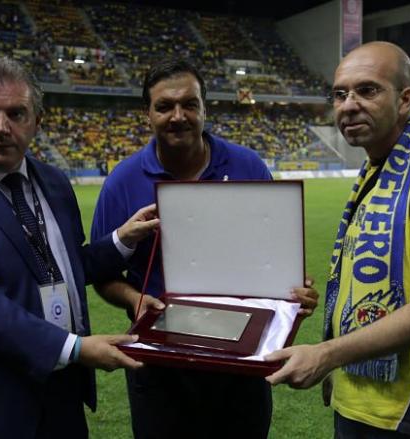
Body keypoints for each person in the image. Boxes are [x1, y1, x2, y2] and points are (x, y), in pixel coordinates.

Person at [0, 57, 159, 439]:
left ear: (37, 121)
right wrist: (74, 348)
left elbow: (64, 267)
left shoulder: (54, 183)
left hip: (60, 398)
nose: (1, 127)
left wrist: (122, 239)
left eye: (16, 113)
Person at [266, 42, 410, 438]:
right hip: (361, 401)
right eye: (340, 94)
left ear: (405, 100)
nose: (348, 105)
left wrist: (326, 354)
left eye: (367, 90)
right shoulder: (375, 173)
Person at [90, 58, 318, 439]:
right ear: (148, 114)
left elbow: (272, 256)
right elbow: (103, 274)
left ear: (204, 109)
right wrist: (134, 298)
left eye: (189, 104)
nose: (177, 116)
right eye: (164, 106)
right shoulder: (122, 181)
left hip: (239, 364)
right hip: (162, 366)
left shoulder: (248, 166)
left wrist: (293, 292)